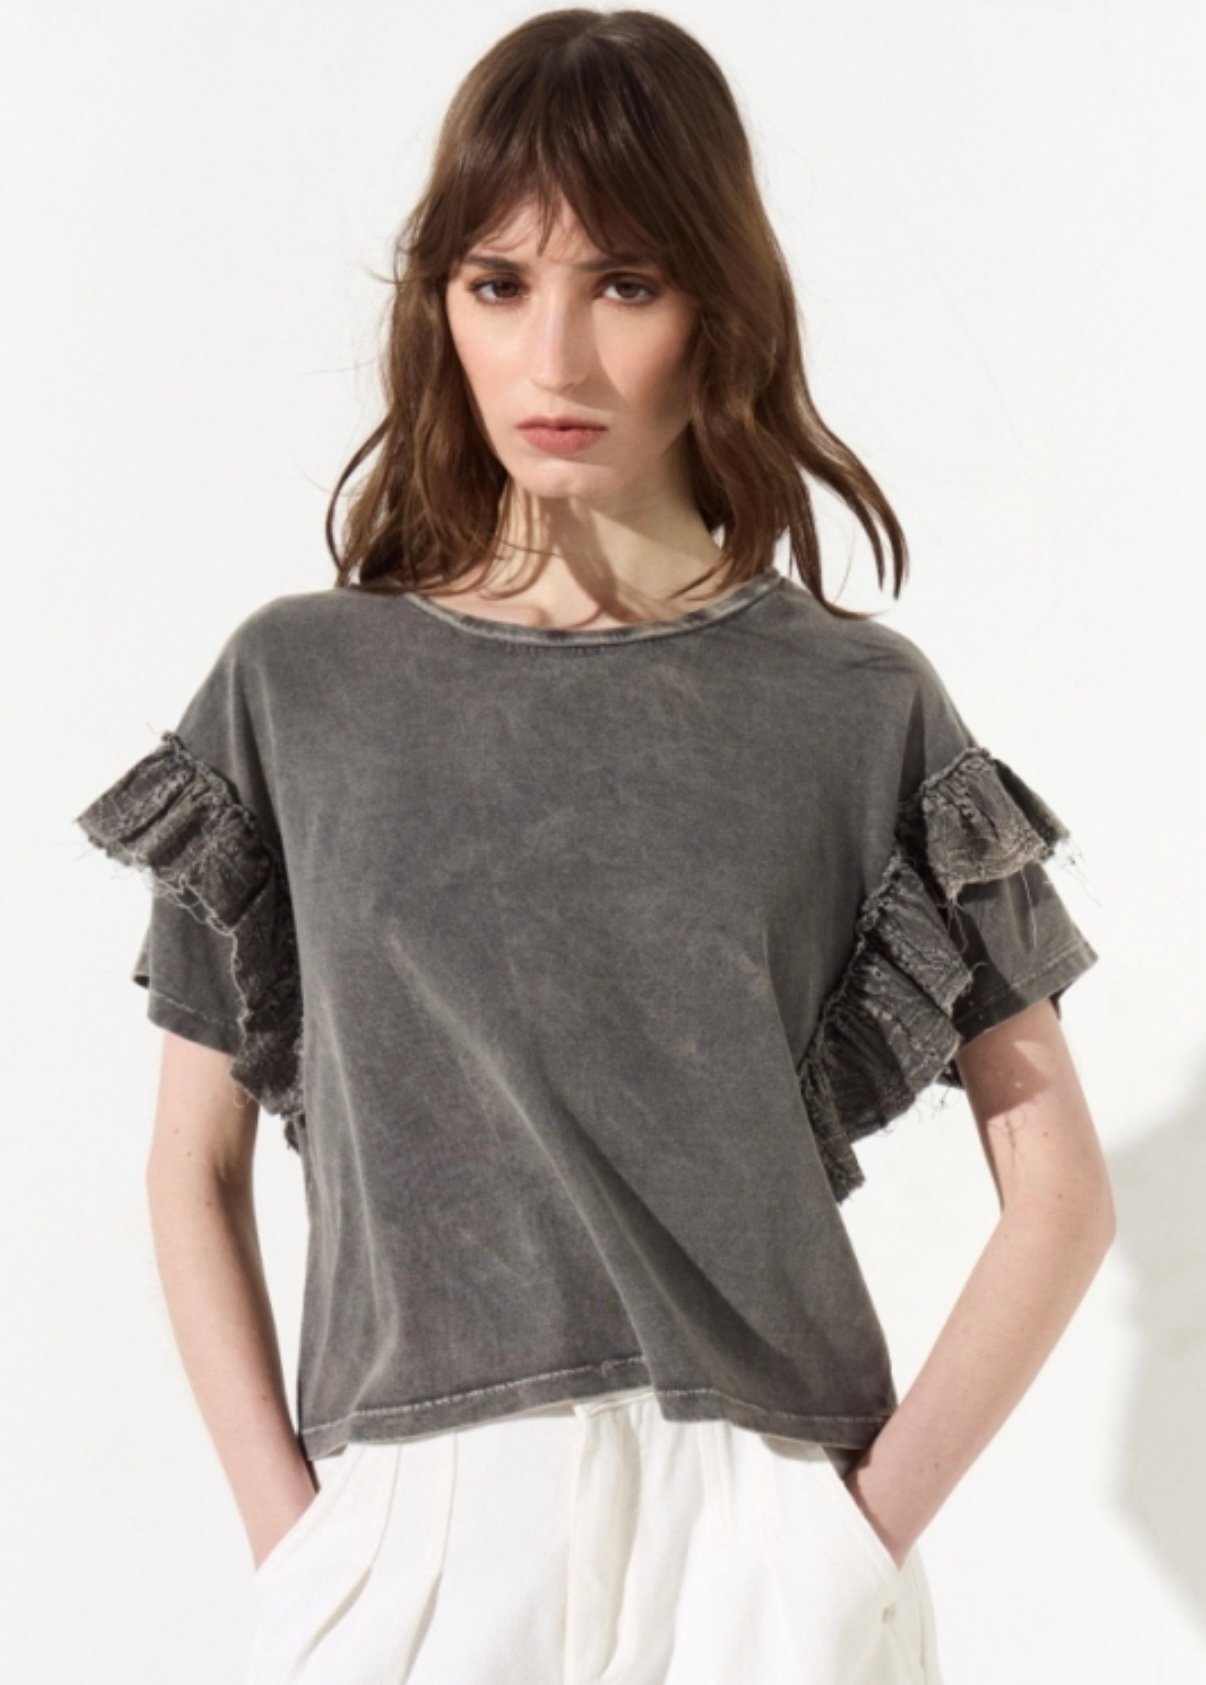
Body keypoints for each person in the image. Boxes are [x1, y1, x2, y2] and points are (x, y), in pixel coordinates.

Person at [73, 9, 1114, 1683]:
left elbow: (1055, 1188)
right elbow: (189, 1166)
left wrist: (847, 1537)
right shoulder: (298, 689)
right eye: (497, 284)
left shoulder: (853, 705)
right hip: (410, 1528)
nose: (552, 357)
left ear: (717, 309)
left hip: (758, 1525)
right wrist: (307, 1549)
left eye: (623, 284)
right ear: (441, 309)